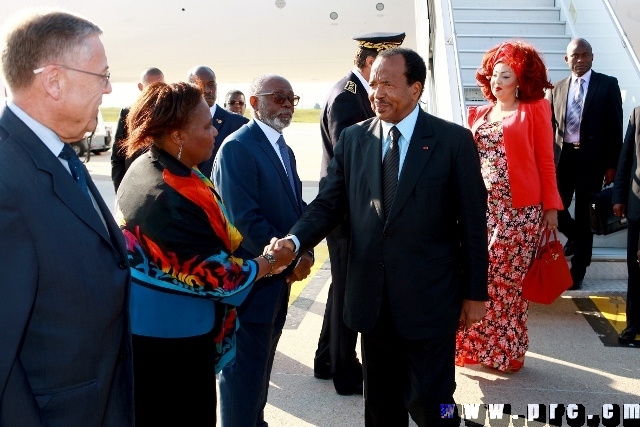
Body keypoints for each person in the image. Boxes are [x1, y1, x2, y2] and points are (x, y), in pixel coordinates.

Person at [269, 48, 488, 426]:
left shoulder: (453, 142)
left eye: (388, 83)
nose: (377, 92)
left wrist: (475, 293)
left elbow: (472, 225)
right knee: (381, 404)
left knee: (434, 401)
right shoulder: (355, 139)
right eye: (373, 83)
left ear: (416, 89)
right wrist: (294, 240)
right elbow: (328, 204)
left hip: (430, 299)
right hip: (373, 300)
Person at [115, 81, 295, 426]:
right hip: (172, 345)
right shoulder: (167, 195)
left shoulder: (153, 167)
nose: (215, 130)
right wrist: (270, 262)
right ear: (178, 136)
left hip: (157, 333)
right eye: (205, 126)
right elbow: (220, 277)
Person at [0, 10, 133, 426]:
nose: (109, 88)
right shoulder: (6, 176)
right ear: (54, 80)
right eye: (102, 75)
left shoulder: (57, 155)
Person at [213, 74, 314, 427]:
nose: (286, 104)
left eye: (291, 98)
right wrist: (287, 261)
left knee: (261, 366)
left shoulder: (282, 147)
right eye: (278, 97)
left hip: (276, 282)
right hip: (252, 283)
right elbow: (244, 222)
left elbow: (294, 207)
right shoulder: (238, 147)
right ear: (255, 103)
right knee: (242, 373)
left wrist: (305, 248)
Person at [456, 41, 563, 374]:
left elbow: (547, 161)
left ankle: (506, 351)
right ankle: (476, 347)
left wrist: (551, 207)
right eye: (493, 76)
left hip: (521, 213)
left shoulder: (535, 109)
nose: (496, 82)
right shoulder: (479, 114)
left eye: (505, 76)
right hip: (484, 211)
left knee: (508, 284)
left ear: (520, 81)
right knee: (481, 278)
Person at [314, 32, 405, 395]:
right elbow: (352, 161)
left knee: (342, 289)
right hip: (348, 213)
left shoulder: (352, 93)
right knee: (347, 293)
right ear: (370, 63)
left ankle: (326, 359)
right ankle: (343, 371)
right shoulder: (346, 99)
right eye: (382, 73)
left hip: (352, 212)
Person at [546, 38, 623, 290]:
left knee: (584, 214)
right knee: (556, 207)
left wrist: (613, 164)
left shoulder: (607, 85)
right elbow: (550, 128)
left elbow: (615, 127)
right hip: (563, 158)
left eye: (585, 54)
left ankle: (577, 272)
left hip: (593, 161)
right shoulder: (556, 89)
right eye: (575, 55)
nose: (580, 59)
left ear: (592, 56)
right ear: (566, 59)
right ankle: (579, 238)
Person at [186, 65, 248, 178]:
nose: (207, 90)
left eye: (211, 84)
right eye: (200, 85)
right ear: (188, 88)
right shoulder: (176, 122)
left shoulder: (239, 125)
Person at [110, 67, 164, 192]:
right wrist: (120, 191)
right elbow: (118, 157)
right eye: (151, 86)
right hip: (134, 186)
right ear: (140, 87)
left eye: (160, 86)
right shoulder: (128, 113)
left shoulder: (171, 113)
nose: (156, 91)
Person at [612, 105, 640, 343]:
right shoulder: (638, 113)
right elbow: (626, 158)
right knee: (636, 268)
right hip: (637, 206)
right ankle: (633, 324)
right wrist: (619, 197)